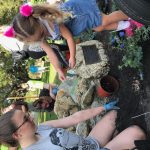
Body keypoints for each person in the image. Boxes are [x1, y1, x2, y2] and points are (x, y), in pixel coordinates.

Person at [3, 0, 130, 81]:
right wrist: (58, 69)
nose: (43, 38)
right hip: (80, 23)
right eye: (40, 38)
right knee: (98, 27)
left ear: (38, 23)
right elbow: (50, 53)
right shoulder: (38, 35)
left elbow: (69, 37)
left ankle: (133, 13)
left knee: (104, 20)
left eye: (42, 34)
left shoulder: (51, 21)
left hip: (81, 13)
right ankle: (127, 25)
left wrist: (72, 57)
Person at [0, 100, 146, 150]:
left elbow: (73, 118)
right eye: (26, 119)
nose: (31, 116)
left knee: (113, 115)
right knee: (136, 133)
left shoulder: (41, 128)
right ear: (17, 134)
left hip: (90, 143)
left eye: (27, 114)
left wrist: (103, 108)